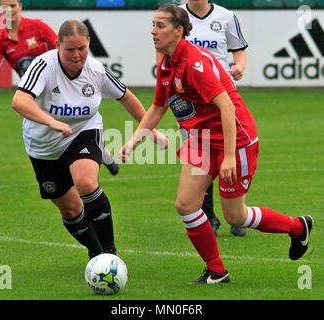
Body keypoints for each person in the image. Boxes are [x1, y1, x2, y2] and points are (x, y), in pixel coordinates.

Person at [120, 4, 314, 284]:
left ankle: (297, 227)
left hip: (236, 139)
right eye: (153, 24)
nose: (153, 31)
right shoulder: (166, 62)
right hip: (202, 139)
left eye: (160, 26)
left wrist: (230, 157)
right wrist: (134, 140)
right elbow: (158, 107)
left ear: (178, 30)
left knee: (235, 216)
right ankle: (217, 271)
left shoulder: (194, 63)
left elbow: (227, 108)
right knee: (186, 203)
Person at [11, 20, 168, 259]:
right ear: (57, 46)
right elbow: (19, 101)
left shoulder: (96, 70)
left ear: (88, 44)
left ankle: (109, 254)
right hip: (44, 145)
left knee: (85, 182)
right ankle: (95, 253)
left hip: (84, 130)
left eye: (81, 49)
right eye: (70, 50)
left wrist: (151, 131)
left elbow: (126, 97)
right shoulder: (43, 65)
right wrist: (51, 122)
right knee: (71, 208)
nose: (77, 55)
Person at [0, 0, 119, 175]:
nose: (9, 10)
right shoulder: (0, 41)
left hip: (61, 86)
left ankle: (100, 153)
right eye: (4, 6)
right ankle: (93, 156)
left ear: (20, 6)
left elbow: (62, 49)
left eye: (13, 5)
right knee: (55, 131)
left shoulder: (38, 27)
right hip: (37, 96)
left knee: (79, 118)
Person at [178, 0, 248, 236]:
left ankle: (237, 214)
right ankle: (208, 216)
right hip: (192, 102)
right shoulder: (176, 15)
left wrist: (239, 65)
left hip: (221, 96)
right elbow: (165, 53)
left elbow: (238, 48)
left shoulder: (226, 16)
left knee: (232, 151)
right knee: (199, 159)